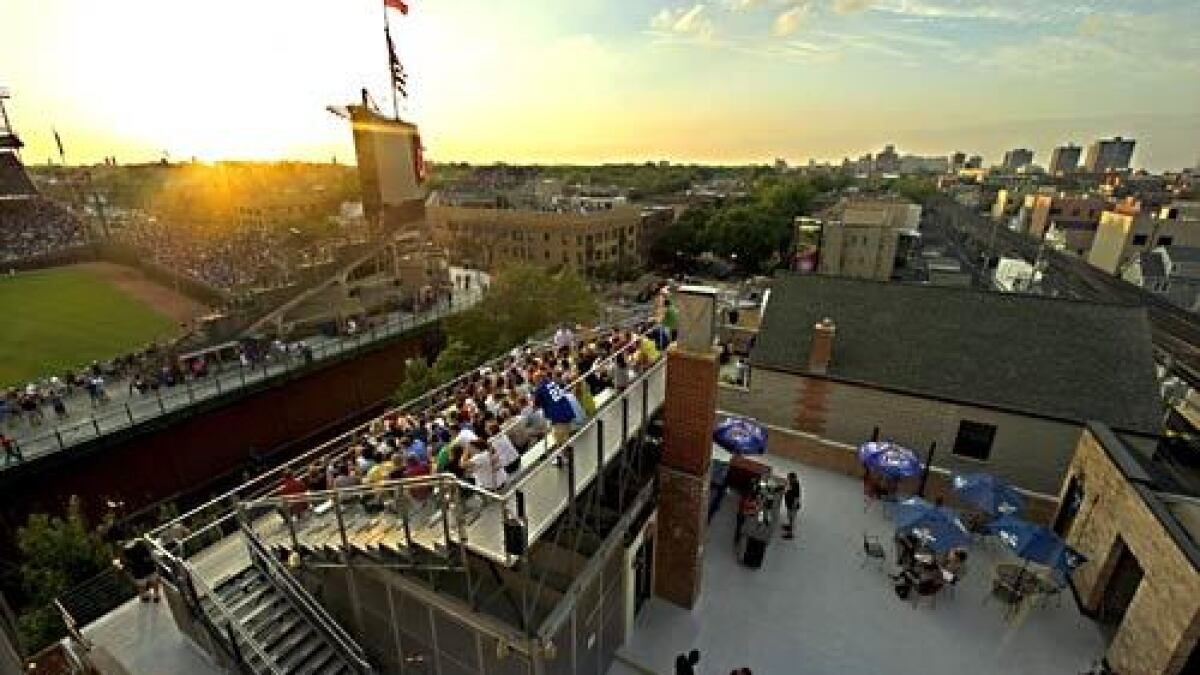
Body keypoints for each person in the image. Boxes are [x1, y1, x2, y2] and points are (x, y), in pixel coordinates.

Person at [118, 538, 161, 603]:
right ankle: (154, 595)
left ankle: (147, 596)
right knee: (151, 580)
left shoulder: (124, 549)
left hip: (139, 567)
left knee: (144, 582)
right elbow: (149, 552)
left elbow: (124, 561)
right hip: (144, 565)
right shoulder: (139, 542)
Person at [783, 472, 802, 539]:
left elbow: (797, 497)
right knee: (790, 517)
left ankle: (790, 534)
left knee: (792, 519)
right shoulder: (792, 483)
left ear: (793, 478)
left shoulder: (796, 485)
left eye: (789, 478)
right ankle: (789, 526)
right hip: (790, 504)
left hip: (793, 506)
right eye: (788, 478)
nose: (788, 479)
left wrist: (794, 506)